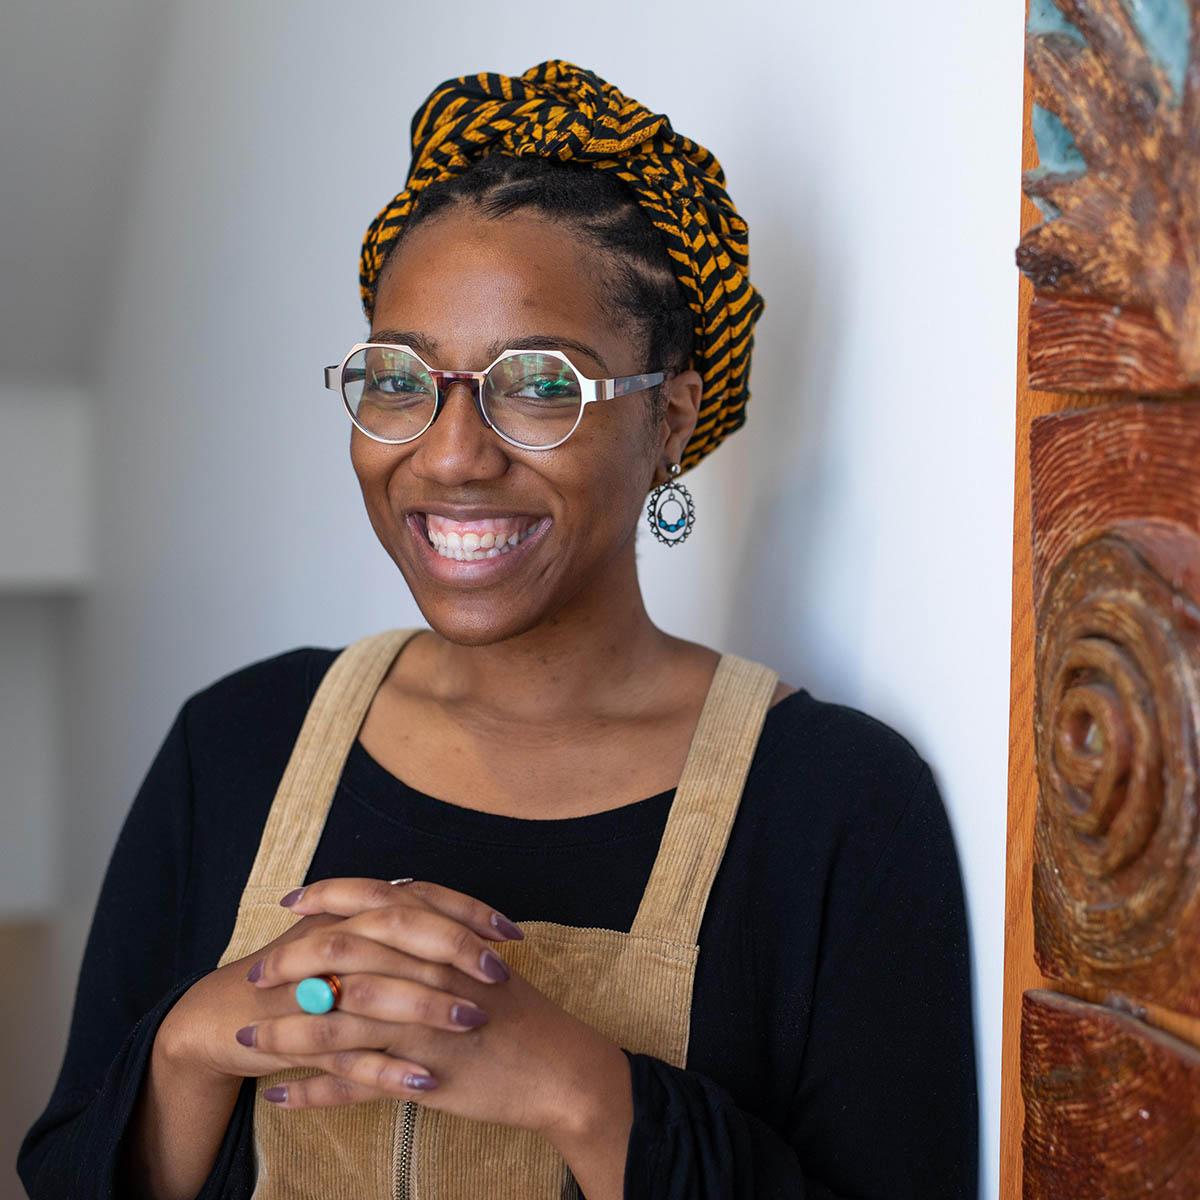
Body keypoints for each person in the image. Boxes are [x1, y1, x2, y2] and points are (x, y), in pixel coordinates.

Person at [17, 59, 978, 1200]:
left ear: (669, 417)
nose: (452, 454)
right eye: (398, 379)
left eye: (537, 385)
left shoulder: (839, 806)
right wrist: (189, 1046)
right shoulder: (233, 745)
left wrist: (582, 1091)